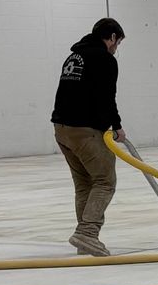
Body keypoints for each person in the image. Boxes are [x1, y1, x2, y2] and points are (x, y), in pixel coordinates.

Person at [51, 17, 125, 255]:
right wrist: (117, 126)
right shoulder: (104, 58)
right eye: (118, 42)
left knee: (84, 183)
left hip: (62, 129)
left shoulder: (74, 56)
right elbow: (106, 96)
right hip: (85, 131)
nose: (116, 48)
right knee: (105, 181)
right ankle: (88, 233)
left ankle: (84, 238)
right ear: (112, 37)